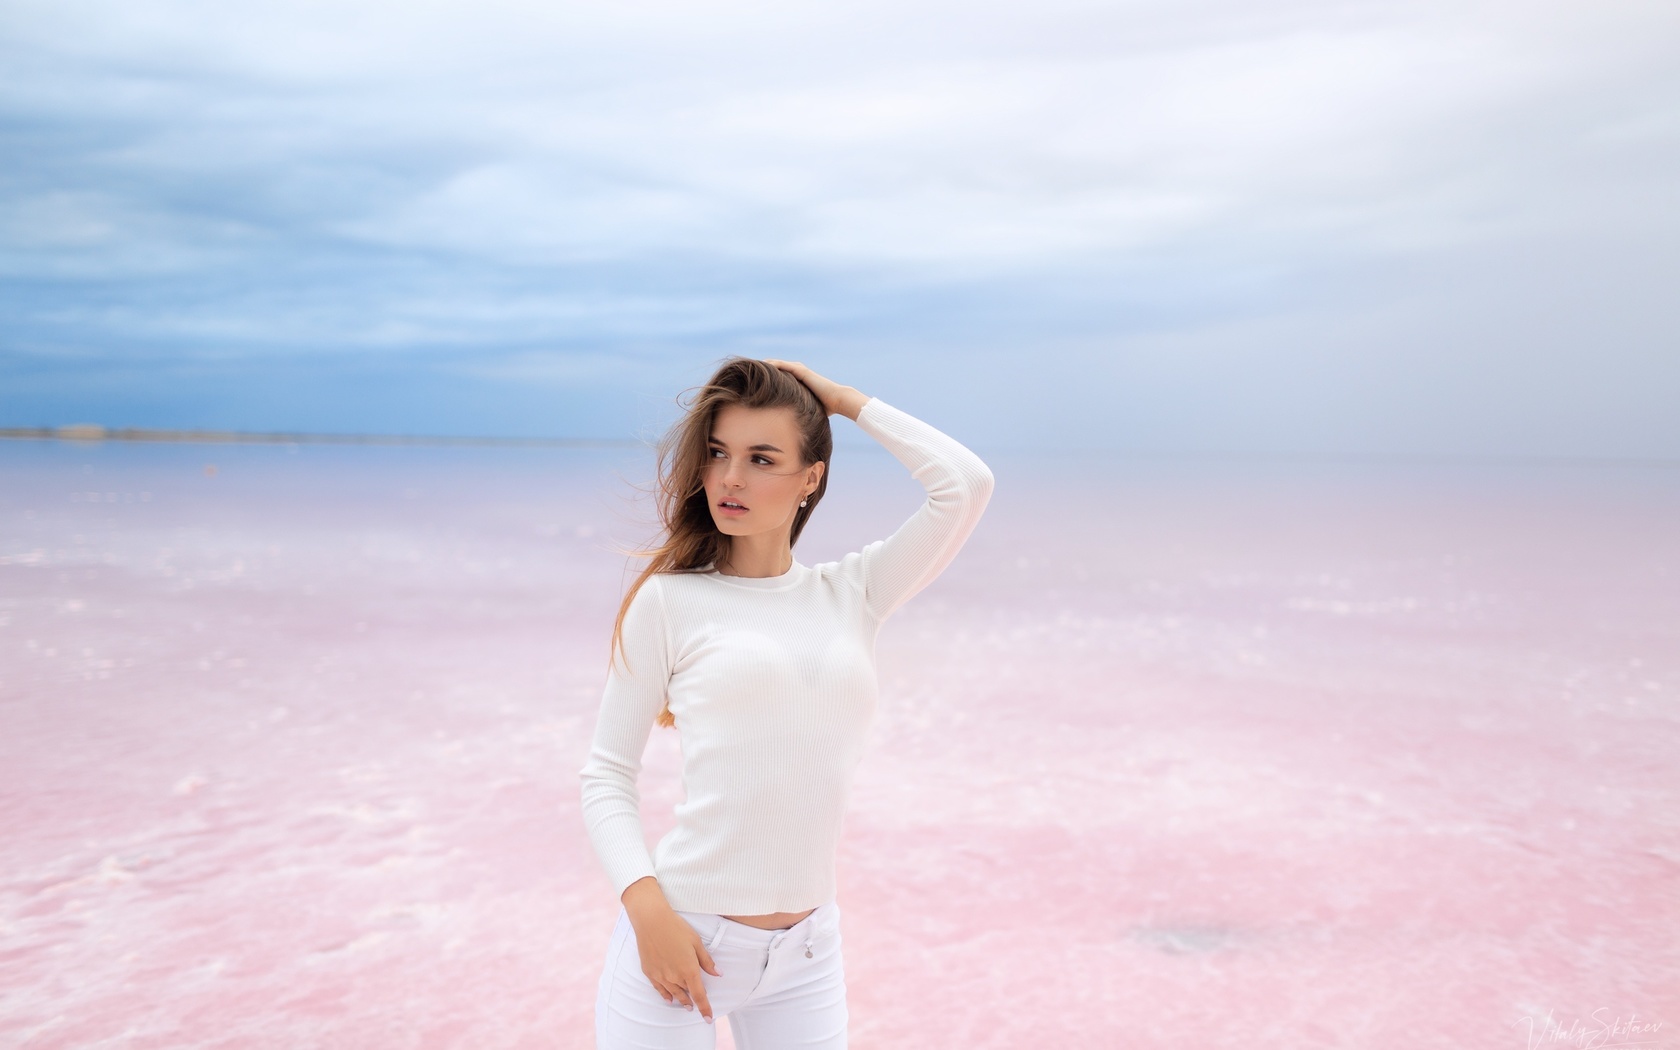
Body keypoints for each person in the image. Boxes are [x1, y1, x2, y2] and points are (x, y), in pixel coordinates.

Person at [579, 357, 994, 1048]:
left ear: (811, 478)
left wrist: (846, 402)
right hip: (681, 941)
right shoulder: (671, 601)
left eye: (761, 458)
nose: (731, 477)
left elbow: (965, 486)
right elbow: (605, 773)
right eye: (718, 453)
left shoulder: (853, 593)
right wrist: (647, 912)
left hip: (805, 955)